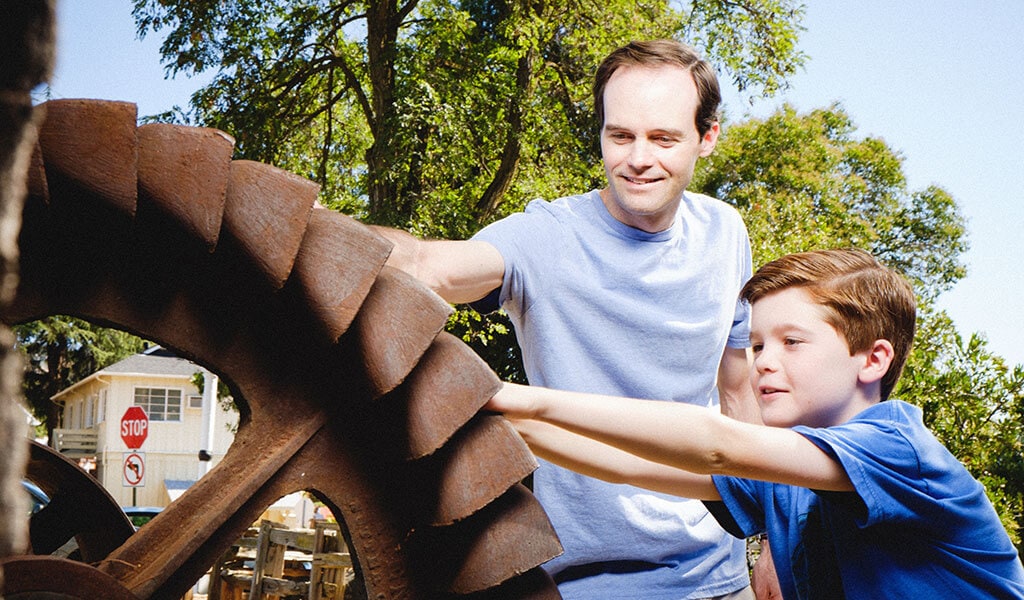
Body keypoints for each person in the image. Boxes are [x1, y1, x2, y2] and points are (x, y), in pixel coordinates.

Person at [373, 39, 760, 599]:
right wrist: (324, 235)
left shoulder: (726, 233)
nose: (638, 158)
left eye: (663, 138)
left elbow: (738, 389)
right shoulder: (546, 239)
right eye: (620, 135)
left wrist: (766, 539)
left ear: (707, 138)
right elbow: (428, 265)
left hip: (716, 579)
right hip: (580, 581)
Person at [485, 248, 1024, 599]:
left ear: (873, 360)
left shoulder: (897, 446)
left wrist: (521, 399)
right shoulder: (791, 470)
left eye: (792, 342)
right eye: (758, 343)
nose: (763, 360)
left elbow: (717, 445)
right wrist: (500, 422)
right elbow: (632, 466)